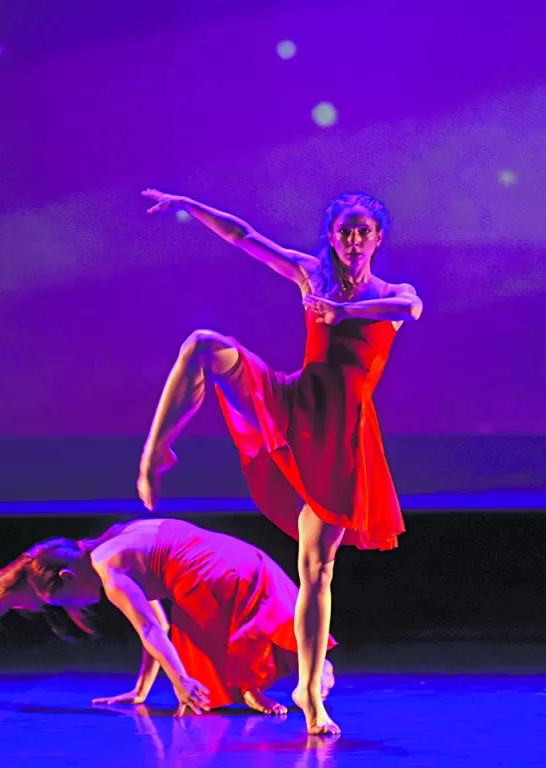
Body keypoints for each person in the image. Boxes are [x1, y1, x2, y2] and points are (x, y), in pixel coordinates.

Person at [136, 189, 422, 734]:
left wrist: (344, 310)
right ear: (332, 235)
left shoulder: (392, 292)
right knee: (201, 343)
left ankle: (311, 695)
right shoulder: (311, 274)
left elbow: (410, 308)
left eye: (363, 231)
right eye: (344, 231)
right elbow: (244, 236)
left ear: (378, 237)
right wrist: (188, 203)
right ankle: (156, 452)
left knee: (317, 570)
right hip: (294, 403)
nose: (353, 240)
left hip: (343, 438)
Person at [0, 518, 335, 716]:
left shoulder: (110, 572)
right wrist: (142, 691)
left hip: (214, 578)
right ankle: (276, 678)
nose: (79, 607)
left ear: (68, 577)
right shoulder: (115, 538)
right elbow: (157, 626)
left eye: (65, 600)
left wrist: (180, 681)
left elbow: (148, 627)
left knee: (195, 657)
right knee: (220, 632)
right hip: (247, 561)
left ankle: (254, 683)